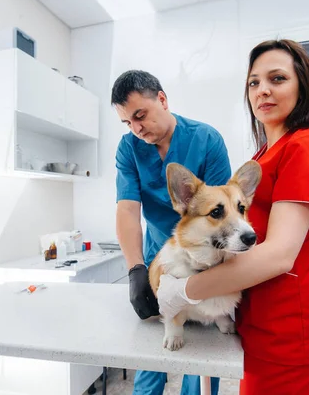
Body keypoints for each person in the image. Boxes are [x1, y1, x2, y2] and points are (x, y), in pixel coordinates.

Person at [157, 39, 309, 394]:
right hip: (261, 324)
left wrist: (185, 290)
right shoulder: (265, 154)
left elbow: (278, 254)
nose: (263, 91)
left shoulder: (307, 147)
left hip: (290, 330)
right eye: (254, 82)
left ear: (301, 85)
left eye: (277, 79)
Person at [112, 70, 231, 395]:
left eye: (140, 115)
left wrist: (205, 277)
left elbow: (221, 213)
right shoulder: (129, 149)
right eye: (128, 123)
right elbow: (127, 209)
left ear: (162, 100)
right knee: (154, 354)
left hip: (204, 265)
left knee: (200, 361)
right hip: (157, 265)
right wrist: (136, 268)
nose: (136, 128)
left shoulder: (206, 140)